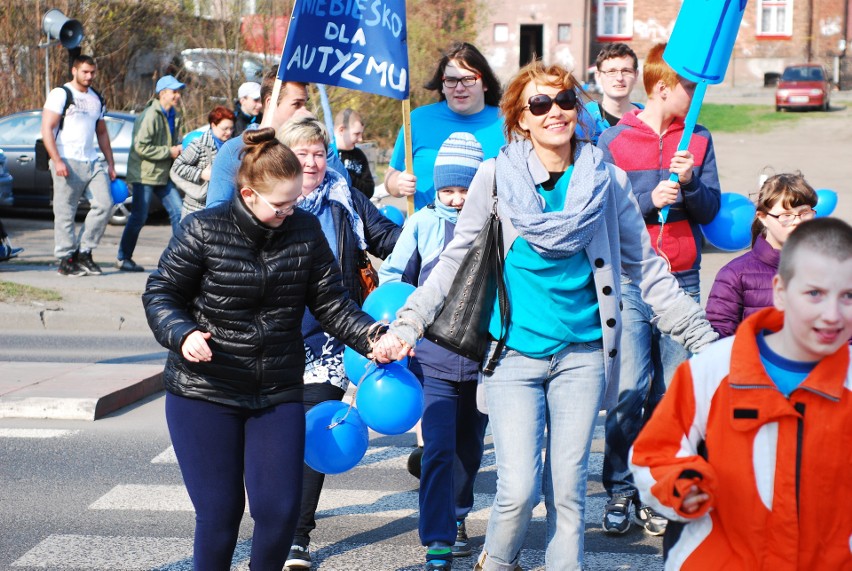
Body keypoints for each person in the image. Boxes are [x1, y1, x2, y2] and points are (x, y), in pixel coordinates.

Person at [372, 61, 717, 571]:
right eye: (539, 104)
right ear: (520, 119)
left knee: (570, 492)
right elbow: (453, 262)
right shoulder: (494, 178)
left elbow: (648, 273)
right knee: (517, 489)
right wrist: (407, 324)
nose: (554, 112)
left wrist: (707, 340)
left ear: (578, 110)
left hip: (582, 356)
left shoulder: (608, 181)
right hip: (512, 355)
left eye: (564, 101)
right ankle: (496, 561)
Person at [142, 127, 390, 571]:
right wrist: (182, 333)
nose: (289, 212)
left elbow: (332, 303)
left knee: (278, 513)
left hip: (275, 390)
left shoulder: (305, 230)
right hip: (205, 390)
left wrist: (373, 338)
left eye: (294, 202)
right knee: (220, 515)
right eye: (280, 205)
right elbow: (160, 293)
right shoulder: (203, 229)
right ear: (248, 193)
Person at [630, 217, 852, 570]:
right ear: (780, 290)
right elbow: (654, 454)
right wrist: (683, 485)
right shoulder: (713, 368)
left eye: (848, 296)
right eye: (814, 293)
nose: (832, 314)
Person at [596, 42, 722, 536]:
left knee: (673, 395)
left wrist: (690, 185)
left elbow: (710, 212)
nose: (699, 95)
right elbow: (602, 214)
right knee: (628, 390)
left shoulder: (700, 137)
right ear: (664, 88)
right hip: (630, 281)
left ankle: (659, 489)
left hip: (683, 279)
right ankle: (620, 490)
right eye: (691, 87)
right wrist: (649, 200)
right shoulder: (613, 140)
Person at [277, 117, 400, 570]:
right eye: (302, 152)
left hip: (329, 339)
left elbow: (389, 239)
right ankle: (274, 519)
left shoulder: (345, 199)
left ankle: (297, 537)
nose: (312, 162)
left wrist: (435, 244)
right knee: (276, 437)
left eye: (318, 153)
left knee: (313, 431)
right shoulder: (274, 202)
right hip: (277, 338)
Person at [377, 132, 488, 570]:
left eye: (465, 190)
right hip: (433, 355)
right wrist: (394, 327)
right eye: (448, 190)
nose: (457, 199)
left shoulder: (492, 223)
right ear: (435, 188)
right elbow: (393, 278)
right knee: (438, 447)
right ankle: (438, 536)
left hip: (482, 356)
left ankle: (459, 512)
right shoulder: (421, 223)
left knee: (470, 448)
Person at [384, 41, 505, 211]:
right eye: (451, 80)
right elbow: (391, 176)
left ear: (485, 83)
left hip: (492, 233)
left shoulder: (509, 122)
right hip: (430, 233)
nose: (459, 88)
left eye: (469, 79)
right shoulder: (417, 120)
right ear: (442, 85)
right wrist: (397, 183)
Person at [706, 173, 818, 338]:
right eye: (786, 216)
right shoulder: (734, 275)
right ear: (763, 217)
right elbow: (719, 339)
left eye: (804, 213)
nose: (797, 221)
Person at [41, 54, 116, 277]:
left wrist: (110, 163)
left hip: (92, 161)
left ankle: (84, 252)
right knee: (65, 212)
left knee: (105, 204)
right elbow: (47, 129)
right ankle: (66, 259)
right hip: (67, 159)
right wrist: (57, 160)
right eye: (85, 72)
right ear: (74, 71)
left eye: (92, 72)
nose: (89, 76)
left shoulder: (96, 98)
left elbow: (101, 133)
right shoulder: (61, 94)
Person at [117, 75, 185, 272]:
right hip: (144, 174)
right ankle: (123, 258)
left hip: (162, 174)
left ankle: (178, 260)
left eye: (178, 92)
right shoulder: (150, 115)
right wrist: (169, 152)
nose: (177, 96)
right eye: (174, 92)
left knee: (179, 212)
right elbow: (141, 147)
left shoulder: (175, 115)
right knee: (139, 216)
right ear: (162, 93)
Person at [170, 105, 235, 218]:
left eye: (231, 128)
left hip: (220, 207)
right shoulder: (199, 144)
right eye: (225, 128)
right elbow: (178, 166)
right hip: (197, 209)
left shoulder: (230, 145)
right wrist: (201, 174)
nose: (229, 132)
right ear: (213, 125)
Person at [578, 43, 644, 144]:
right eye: (611, 71)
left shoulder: (648, 119)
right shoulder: (584, 119)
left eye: (626, 71)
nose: (619, 78)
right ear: (598, 76)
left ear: (636, 75)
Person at [334, 108, 375, 198]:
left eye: (361, 134)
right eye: (356, 134)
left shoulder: (359, 155)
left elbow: (369, 190)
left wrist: (347, 175)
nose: (360, 139)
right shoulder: (327, 154)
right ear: (341, 130)